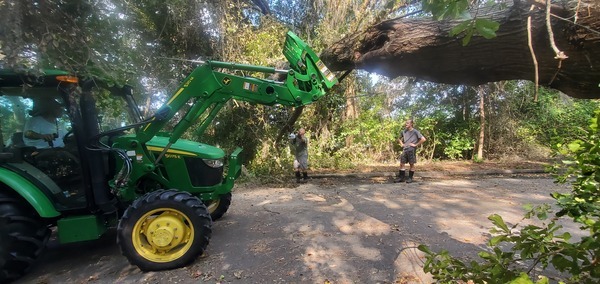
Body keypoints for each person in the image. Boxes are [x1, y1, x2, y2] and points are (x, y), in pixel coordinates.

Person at [395, 119, 426, 183]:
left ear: (411, 124)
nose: (406, 124)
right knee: (401, 163)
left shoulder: (415, 131)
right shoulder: (403, 131)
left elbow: (423, 139)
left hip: (411, 150)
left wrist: (415, 145)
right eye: (406, 123)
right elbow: (399, 138)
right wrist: (402, 144)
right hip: (405, 149)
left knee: (411, 164)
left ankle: (410, 178)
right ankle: (401, 178)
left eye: (407, 123)